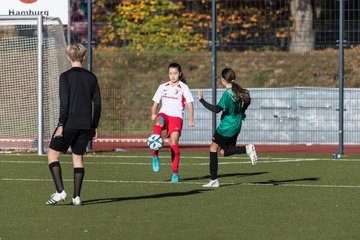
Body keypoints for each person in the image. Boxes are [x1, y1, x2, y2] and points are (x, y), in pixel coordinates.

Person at [46, 43, 101, 206]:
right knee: (78, 158)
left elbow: (65, 102)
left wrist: (61, 124)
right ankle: (76, 197)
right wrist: (94, 125)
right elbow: (97, 104)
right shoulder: (91, 77)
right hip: (85, 124)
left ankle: (60, 191)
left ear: (68, 58)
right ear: (83, 57)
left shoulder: (65, 76)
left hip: (69, 123)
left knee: (52, 155)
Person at [198, 68, 257, 188]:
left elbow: (216, 109)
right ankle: (246, 149)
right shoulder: (239, 91)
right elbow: (247, 101)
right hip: (236, 125)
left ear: (223, 80)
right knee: (224, 151)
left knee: (213, 149)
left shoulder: (227, 94)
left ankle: (214, 180)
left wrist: (201, 100)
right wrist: (242, 112)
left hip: (226, 127)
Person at [150, 63, 195, 183]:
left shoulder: (184, 87)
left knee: (173, 142)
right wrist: (154, 113)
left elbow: (190, 104)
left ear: (179, 73)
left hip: (176, 117)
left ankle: (175, 173)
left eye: (175, 73)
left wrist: (191, 119)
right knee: (158, 122)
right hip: (164, 114)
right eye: (170, 73)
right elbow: (155, 103)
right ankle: (155, 155)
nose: (173, 76)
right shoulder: (162, 86)